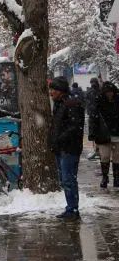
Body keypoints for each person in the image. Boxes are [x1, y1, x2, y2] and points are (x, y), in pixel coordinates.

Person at [48, 77, 85, 221]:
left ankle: (72, 210)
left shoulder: (71, 103)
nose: (50, 92)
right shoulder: (60, 104)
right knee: (65, 180)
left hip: (69, 149)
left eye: (53, 90)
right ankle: (71, 208)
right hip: (62, 148)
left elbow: (74, 127)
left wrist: (59, 139)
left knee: (68, 180)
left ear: (60, 91)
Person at [94, 81, 119, 188]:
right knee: (104, 156)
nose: (109, 94)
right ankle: (105, 177)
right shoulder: (99, 102)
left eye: (111, 92)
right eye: (107, 92)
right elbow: (94, 118)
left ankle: (117, 179)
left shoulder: (118, 101)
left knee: (117, 157)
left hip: (117, 133)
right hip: (103, 134)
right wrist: (93, 133)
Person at [85, 78, 102, 160]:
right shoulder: (100, 91)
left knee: (93, 133)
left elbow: (86, 102)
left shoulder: (89, 91)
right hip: (99, 115)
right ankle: (98, 150)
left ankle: (97, 150)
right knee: (98, 132)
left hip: (93, 115)